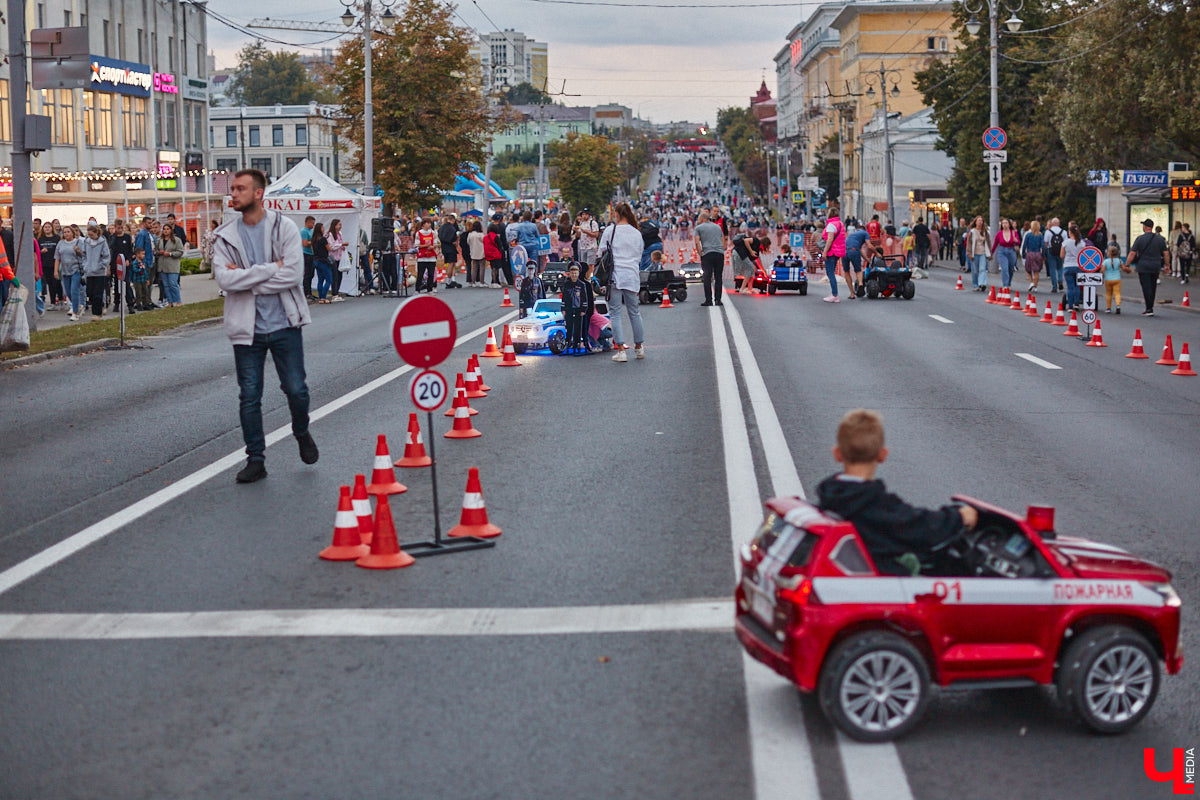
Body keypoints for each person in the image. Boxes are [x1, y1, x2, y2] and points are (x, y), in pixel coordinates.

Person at [212, 168, 317, 484]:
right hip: (247, 328)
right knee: (249, 395)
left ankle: (301, 431)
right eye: (233, 188)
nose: (233, 194)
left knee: (296, 389)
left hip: (285, 323)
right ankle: (255, 459)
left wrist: (247, 278)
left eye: (240, 189)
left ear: (258, 193)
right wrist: (270, 269)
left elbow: (293, 275)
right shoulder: (225, 236)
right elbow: (224, 279)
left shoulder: (283, 228)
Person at [815, 409, 978, 577]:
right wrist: (958, 517)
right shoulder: (876, 504)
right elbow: (920, 526)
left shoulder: (829, 498)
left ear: (837, 454)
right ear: (882, 454)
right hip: (880, 582)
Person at [598, 202, 647, 362]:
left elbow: (601, 253)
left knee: (616, 313)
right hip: (632, 275)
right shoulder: (636, 233)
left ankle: (621, 349)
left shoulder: (610, 231)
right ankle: (639, 348)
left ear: (617, 214)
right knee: (634, 312)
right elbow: (639, 255)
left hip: (615, 276)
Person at [1124, 218, 1170, 316]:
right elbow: (1166, 253)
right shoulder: (1160, 239)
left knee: (1146, 287)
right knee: (1153, 287)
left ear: (1145, 227)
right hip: (1156, 266)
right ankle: (1150, 307)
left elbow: (1132, 253)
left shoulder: (1139, 239)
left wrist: (1127, 265)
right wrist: (1167, 265)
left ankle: (1149, 309)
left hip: (1143, 266)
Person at [693, 211, 725, 306]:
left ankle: (709, 300)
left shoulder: (698, 228)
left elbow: (697, 242)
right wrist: (721, 249)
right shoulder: (718, 227)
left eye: (699, 219)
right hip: (719, 253)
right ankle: (718, 300)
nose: (698, 221)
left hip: (707, 254)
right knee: (718, 277)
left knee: (707, 277)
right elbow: (722, 239)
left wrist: (700, 254)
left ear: (702, 219)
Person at [80, 225, 111, 317]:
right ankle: (99, 306)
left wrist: (102, 265)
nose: (90, 237)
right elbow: (84, 255)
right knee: (90, 292)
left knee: (98, 293)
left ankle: (96, 313)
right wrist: (85, 265)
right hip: (89, 271)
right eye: (89, 235)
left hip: (99, 272)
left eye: (92, 235)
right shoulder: (86, 242)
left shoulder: (102, 242)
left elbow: (106, 256)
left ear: (96, 233)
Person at [54, 225, 84, 320]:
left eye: (68, 232)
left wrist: (78, 251)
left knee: (74, 290)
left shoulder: (78, 242)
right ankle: (77, 304)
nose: (66, 234)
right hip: (65, 271)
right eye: (65, 232)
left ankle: (75, 313)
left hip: (76, 270)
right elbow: (57, 258)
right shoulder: (60, 243)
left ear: (72, 233)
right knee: (68, 292)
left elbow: (84, 255)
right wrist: (55, 270)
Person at [560, 264, 588, 354]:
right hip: (569, 309)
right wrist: (563, 308)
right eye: (572, 273)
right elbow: (564, 297)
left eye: (575, 273)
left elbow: (584, 298)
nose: (574, 275)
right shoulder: (567, 284)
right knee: (569, 326)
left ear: (578, 273)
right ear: (570, 274)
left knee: (578, 327)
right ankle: (568, 343)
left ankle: (577, 343)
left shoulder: (582, 285)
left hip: (578, 309)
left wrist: (584, 309)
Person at [821, 206, 846, 303]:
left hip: (832, 251)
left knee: (830, 273)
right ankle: (834, 294)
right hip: (838, 251)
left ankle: (835, 295)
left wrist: (825, 252)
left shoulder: (831, 225)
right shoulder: (840, 224)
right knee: (832, 272)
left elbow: (830, 239)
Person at [1060, 222, 1086, 312]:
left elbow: (1062, 255)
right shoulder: (1082, 243)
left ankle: (1070, 306)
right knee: (1077, 286)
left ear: (1070, 232)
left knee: (1070, 287)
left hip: (1068, 266)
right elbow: (1084, 256)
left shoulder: (1065, 243)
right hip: (1078, 267)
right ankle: (1076, 304)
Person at [157, 224, 185, 307]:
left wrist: (170, 254)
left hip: (172, 265)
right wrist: (159, 252)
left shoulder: (176, 240)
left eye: (167, 229)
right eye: (164, 229)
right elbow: (156, 251)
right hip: (162, 265)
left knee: (173, 284)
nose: (165, 230)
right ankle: (170, 302)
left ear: (171, 230)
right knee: (166, 285)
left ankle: (178, 301)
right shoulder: (160, 240)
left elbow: (180, 252)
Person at [37, 221, 62, 309]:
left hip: (55, 263)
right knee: (50, 284)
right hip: (45, 264)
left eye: (49, 227)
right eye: (45, 227)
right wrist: (41, 251)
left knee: (57, 283)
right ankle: (53, 302)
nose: (47, 228)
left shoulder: (57, 238)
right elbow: (36, 252)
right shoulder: (40, 239)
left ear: (52, 228)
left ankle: (61, 299)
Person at [134, 217, 156, 308]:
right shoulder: (142, 234)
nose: (150, 224)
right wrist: (141, 262)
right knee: (144, 283)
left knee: (149, 283)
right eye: (148, 223)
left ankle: (148, 300)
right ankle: (143, 302)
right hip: (146, 262)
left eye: (151, 223)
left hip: (152, 261)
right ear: (143, 223)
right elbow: (139, 248)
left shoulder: (150, 234)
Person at [992, 218, 1020, 289]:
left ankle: (1008, 283)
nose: (1004, 224)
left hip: (1011, 251)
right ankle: (1005, 285)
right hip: (1002, 252)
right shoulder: (999, 233)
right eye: (1003, 223)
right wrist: (991, 253)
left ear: (1009, 224)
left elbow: (1018, 242)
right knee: (1004, 269)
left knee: (1010, 269)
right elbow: (995, 244)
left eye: (1006, 223)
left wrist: (1016, 240)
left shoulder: (1014, 232)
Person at [310, 221, 333, 303]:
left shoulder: (313, 239)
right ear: (320, 229)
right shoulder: (323, 239)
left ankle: (320, 298)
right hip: (323, 260)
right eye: (323, 228)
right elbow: (329, 249)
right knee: (329, 279)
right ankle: (323, 297)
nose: (324, 229)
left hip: (316, 260)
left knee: (320, 279)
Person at [844, 224, 869, 298]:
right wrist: (877, 253)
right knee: (858, 270)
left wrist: (866, 259)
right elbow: (869, 245)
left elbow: (860, 250)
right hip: (854, 251)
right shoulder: (865, 233)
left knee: (846, 271)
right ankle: (861, 284)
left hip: (844, 251)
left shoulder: (852, 235)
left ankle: (852, 294)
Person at [414, 218, 438, 293]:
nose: (429, 225)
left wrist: (433, 246)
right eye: (427, 223)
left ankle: (430, 289)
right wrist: (425, 245)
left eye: (430, 223)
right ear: (423, 224)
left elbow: (436, 243)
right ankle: (417, 289)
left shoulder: (433, 233)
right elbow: (416, 244)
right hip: (422, 257)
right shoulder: (418, 233)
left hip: (431, 257)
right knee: (420, 274)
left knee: (431, 274)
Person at [967, 216, 991, 291]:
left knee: (983, 269)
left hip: (983, 252)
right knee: (975, 270)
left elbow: (988, 242)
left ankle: (982, 284)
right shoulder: (972, 232)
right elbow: (969, 243)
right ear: (975, 222)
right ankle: (975, 285)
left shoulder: (985, 232)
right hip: (974, 253)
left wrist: (990, 252)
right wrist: (969, 253)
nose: (980, 222)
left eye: (981, 221)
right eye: (979, 220)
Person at [438, 214, 461, 289]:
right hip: (451, 248)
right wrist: (454, 242)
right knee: (451, 264)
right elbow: (454, 239)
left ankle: (452, 280)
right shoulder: (452, 228)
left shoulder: (441, 228)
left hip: (444, 247)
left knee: (450, 263)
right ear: (453, 220)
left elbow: (440, 237)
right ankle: (449, 281)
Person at [1020, 220, 1044, 293]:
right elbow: (1043, 246)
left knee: (1028, 269)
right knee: (1036, 271)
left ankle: (1031, 282)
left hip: (1030, 253)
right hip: (1037, 253)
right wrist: (1043, 255)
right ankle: (1035, 286)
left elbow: (1024, 246)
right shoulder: (1040, 235)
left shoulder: (1028, 235)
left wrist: (1023, 254)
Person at [1043, 218, 1065, 293]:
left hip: (1051, 251)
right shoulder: (1064, 232)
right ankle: (1060, 280)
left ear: (1052, 223)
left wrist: (1045, 251)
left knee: (1052, 269)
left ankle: (1054, 286)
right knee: (1060, 268)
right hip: (1060, 251)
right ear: (1059, 223)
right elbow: (1065, 243)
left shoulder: (1048, 232)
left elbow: (1045, 243)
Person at [326, 219, 346, 301]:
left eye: (341, 225)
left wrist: (342, 246)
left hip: (339, 257)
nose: (340, 226)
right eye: (339, 225)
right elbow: (331, 247)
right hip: (332, 258)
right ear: (334, 226)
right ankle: (334, 293)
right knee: (334, 276)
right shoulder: (330, 235)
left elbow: (339, 244)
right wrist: (341, 245)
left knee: (340, 275)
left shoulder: (340, 234)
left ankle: (337, 292)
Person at [576, 207, 599, 276]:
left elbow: (596, 234)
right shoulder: (581, 223)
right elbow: (579, 235)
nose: (584, 216)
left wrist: (586, 232)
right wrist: (576, 231)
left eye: (586, 214)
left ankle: (590, 276)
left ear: (589, 215)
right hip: (583, 247)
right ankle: (584, 276)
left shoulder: (593, 223)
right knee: (583, 264)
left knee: (590, 264)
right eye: (583, 214)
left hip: (591, 246)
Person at [300, 215, 316, 302]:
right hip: (306, 254)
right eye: (312, 223)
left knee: (311, 274)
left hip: (312, 254)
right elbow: (305, 243)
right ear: (308, 222)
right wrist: (313, 242)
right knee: (307, 274)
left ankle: (309, 292)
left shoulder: (312, 230)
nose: (313, 225)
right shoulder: (304, 231)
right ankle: (306, 293)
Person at [1102, 244, 1123, 314]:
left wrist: (1100, 275)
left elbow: (1102, 270)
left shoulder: (1105, 261)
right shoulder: (1119, 261)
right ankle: (1118, 306)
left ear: (1108, 253)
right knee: (1117, 293)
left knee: (1108, 294)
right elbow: (1123, 267)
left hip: (1108, 279)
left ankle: (1108, 308)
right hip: (1117, 279)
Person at [466, 220, 486, 287]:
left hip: (473, 252)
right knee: (482, 268)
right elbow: (485, 242)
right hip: (481, 252)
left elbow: (468, 243)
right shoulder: (481, 235)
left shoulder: (470, 234)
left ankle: (473, 282)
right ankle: (481, 282)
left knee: (474, 268)